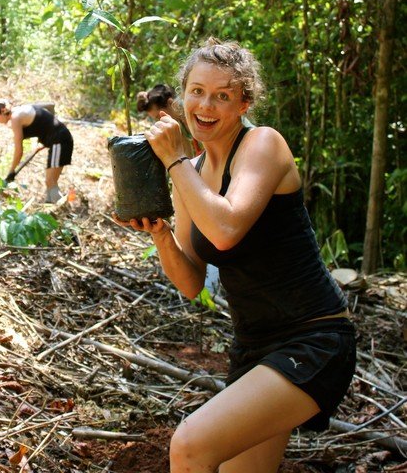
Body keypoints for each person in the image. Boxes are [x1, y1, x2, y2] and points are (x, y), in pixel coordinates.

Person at [115, 37, 356, 473]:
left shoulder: (264, 144)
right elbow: (192, 282)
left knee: (189, 446)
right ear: (182, 94)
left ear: (244, 103)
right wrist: (161, 235)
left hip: (314, 337)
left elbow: (226, 230)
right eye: (197, 91)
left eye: (222, 96)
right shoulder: (194, 172)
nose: (205, 105)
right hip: (253, 345)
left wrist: (174, 161)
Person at [0, 99, 73, 204]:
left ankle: (62, 209)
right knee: (49, 182)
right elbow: (49, 107)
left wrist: (11, 171)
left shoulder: (15, 118)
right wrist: (46, 136)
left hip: (59, 141)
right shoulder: (20, 109)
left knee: (51, 182)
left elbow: (19, 151)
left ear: (3, 111)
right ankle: (51, 207)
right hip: (56, 140)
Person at [136, 83, 202, 157]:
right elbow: (187, 153)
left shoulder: (198, 115)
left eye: (159, 116)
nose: (160, 121)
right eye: (156, 119)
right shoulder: (179, 125)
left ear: (170, 103)